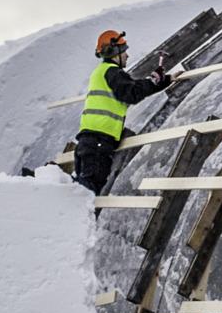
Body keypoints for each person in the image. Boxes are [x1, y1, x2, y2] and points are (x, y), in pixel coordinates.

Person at [72, 28, 174, 195]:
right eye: (124, 51)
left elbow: (132, 87)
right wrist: (154, 81)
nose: (127, 55)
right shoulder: (112, 72)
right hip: (99, 142)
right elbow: (131, 93)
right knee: (88, 193)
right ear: (114, 52)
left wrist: (161, 81)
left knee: (83, 191)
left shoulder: (101, 72)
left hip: (90, 141)